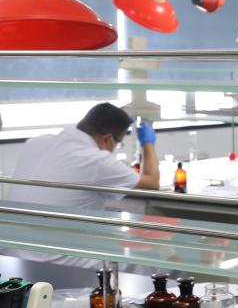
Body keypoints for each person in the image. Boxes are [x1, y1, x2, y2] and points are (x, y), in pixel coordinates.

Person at [11, 102, 159, 268]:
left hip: (14, 256)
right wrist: (148, 143)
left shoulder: (35, 142)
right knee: (152, 261)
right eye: (118, 143)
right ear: (107, 139)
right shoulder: (96, 160)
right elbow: (152, 183)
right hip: (61, 264)